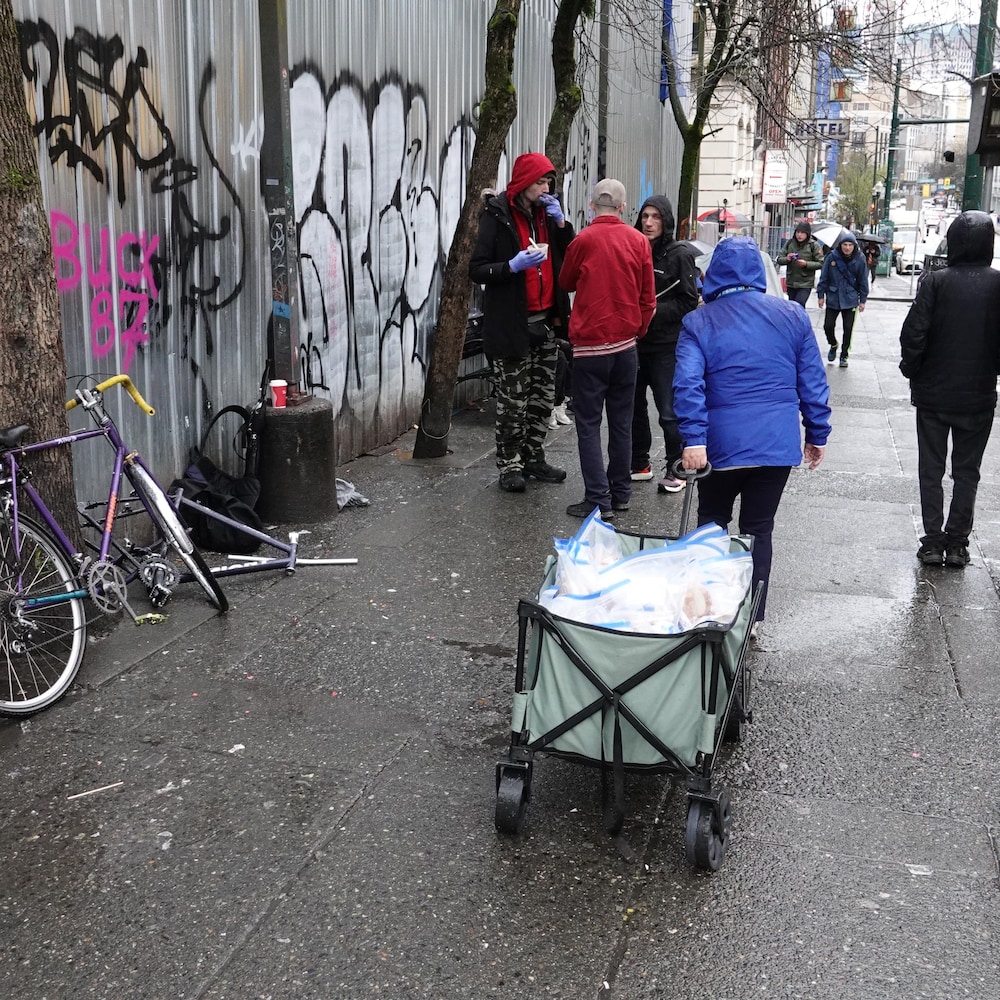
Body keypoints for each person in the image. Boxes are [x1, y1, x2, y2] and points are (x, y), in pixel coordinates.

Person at [674, 236, 831, 637]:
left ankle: (706, 612)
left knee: (711, 522)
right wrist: (817, 433)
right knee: (759, 528)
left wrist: (693, 439)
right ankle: (751, 620)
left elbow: (688, 385)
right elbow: (812, 381)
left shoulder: (698, 321)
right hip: (775, 446)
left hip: (718, 447)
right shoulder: (792, 315)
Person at [899, 210, 1000, 568]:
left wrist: (912, 369)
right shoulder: (997, 283)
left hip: (933, 394)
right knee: (967, 472)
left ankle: (932, 542)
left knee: (931, 469)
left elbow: (914, 333)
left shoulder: (936, 282)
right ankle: (957, 543)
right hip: (978, 395)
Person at [469, 153, 575, 492]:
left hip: (546, 322)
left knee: (543, 399)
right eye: (541, 182)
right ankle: (510, 465)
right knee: (513, 402)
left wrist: (562, 225)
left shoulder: (546, 214)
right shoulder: (497, 215)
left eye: (549, 182)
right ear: (524, 182)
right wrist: (511, 266)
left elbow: (569, 255)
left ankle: (534, 458)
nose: (546, 188)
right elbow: (477, 267)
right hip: (512, 323)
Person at [559, 178, 656, 520]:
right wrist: (636, 331)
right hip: (625, 347)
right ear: (623, 208)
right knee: (621, 421)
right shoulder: (638, 241)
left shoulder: (583, 240)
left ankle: (598, 499)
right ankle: (621, 493)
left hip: (589, 349)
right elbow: (648, 299)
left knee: (588, 424)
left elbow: (565, 282)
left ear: (590, 205)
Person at [629, 195, 700, 493]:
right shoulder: (632, 247)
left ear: (666, 220)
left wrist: (655, 312)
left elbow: (688, 301)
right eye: (645, 216)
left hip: (665, 347)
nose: (648, 222)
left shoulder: (679, 254)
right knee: (633, 408)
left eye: (656, 217)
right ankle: (639, 463)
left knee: (668, 411)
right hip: (633, 342)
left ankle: (677, 467)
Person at [816, 231, 868, 368]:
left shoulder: (860, 258)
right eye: (845, 244)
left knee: (848, 329)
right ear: (840, 245)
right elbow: (824, 277)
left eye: (850, 245)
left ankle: (844, 355)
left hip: (850, 298)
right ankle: (833, 344)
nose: (847, 247)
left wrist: (863, 300)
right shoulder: (832, 257)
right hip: (833, 297)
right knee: (828, 326)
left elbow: (863, 280)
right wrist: (821, 295)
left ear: (854, 246)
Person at [775, 222, 824, 308]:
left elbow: (821, 263)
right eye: (798, 232)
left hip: (805, 283)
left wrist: (806, 264)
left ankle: (801, 321)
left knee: (799, 305)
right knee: (792, 308)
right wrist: (787, 259)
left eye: (802, 233)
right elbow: (779, 259)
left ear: (807, 234)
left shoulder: (813, 245)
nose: (799, 235)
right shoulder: (790, 243)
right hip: (791, 282)